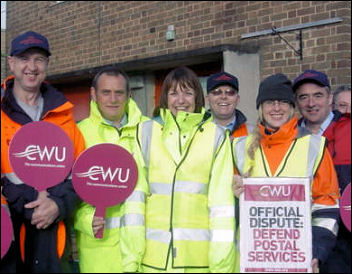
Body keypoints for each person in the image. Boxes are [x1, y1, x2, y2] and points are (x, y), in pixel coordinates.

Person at [232, 73, 340, 273]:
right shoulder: (238, 147)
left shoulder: (313, 147)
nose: (276, 108)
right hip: (250, 259)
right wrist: (234, 194)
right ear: (260, 107)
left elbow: (327, 207)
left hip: (297, 258)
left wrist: (317, 250)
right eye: (269, 102)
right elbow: (222, 207)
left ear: (292, 107)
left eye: (283, 101)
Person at [137, 66, 236, 272]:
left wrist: (221, 265)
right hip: (153, 261)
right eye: (173, 93)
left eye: (187, 93)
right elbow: (135, 200)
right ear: (164, 98)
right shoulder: (145, 132)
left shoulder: (217, 136)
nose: (180, 100)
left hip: (198, 262)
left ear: (198, 97)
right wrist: (132, 258)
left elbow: (222, 206)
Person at [1, 31, 85, 272]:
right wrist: (22, 200)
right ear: (11, 62)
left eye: (39, 59)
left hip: (53, 240)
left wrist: (58, 205)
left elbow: (81, 174)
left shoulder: (64, 117)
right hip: (8, 238)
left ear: (47, 64)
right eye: (24, 58)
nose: (32, 67)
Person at [73, 67, 149, 273]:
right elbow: (68, 192)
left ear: (129, 95)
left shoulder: (150, 130)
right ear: (93, 94)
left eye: (119, 93)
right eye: (106, 92)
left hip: (145, 252)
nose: (113, 99)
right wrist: (87, 221)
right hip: (100, 255)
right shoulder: (79, 134)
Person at [293, 70, 351, 273]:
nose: (311, 103)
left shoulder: (348, 130)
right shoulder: (288, 137)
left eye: (317, 95)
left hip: (344, 243)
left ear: (330, 98)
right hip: (300, 242)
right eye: (303, 97)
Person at [206, 71, 251, 137]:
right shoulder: (194, 132)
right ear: (207, 99)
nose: (223, 97)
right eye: (217, 92)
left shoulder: (253, 133)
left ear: (237, 99)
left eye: (230, 92)